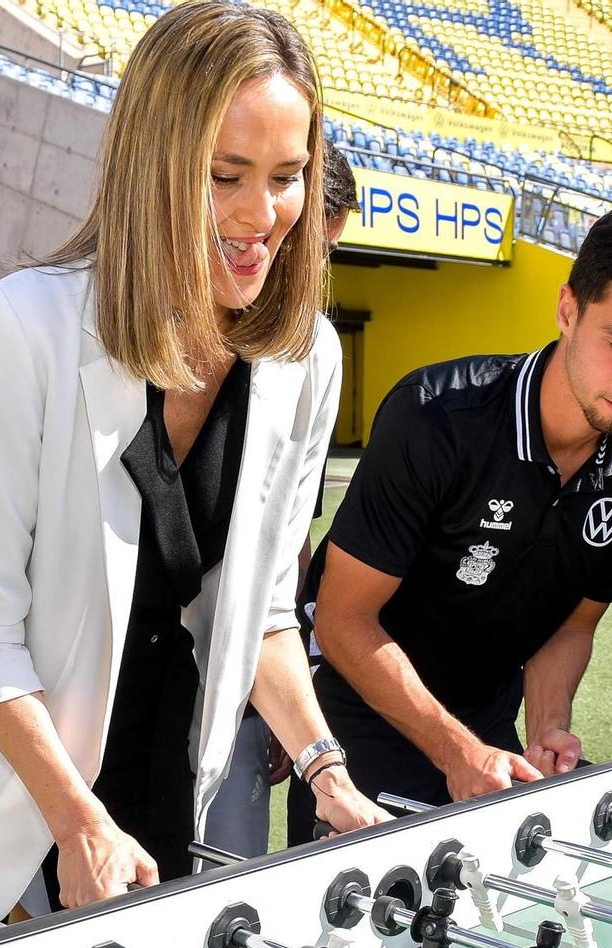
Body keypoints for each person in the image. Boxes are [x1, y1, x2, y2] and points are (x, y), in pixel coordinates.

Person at [0, 2, 386, 948]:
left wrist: (327, 770)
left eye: (287, 177)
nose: (261, 217)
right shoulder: (20, 329)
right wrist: (74, 820)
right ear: (151, 165)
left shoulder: (308, 360)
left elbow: (264, 613)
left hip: (153, 801)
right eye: (225, 176)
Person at [306, 206, 612, 805]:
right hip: (364, 734)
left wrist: (546, 727)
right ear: (568, 311)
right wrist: (453, 750)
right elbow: (342, 622)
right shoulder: (435, 416)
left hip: (492, 739)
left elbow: (572, 623)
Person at [205, 140, 360, 861]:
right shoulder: (51, 326)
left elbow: (279, 559)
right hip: (110, 710)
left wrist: (291, 724)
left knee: (221, 883)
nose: (315, 271)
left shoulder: (311, 357)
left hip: (239, 686)